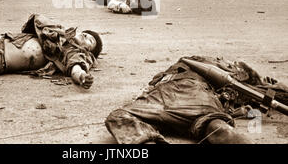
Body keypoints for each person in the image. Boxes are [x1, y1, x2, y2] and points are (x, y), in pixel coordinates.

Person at [105, 55, 288, 144]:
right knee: (118, 117)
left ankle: (144, 139)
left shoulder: (224, 74)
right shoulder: (207, 64)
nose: (227, 63)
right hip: (164, 96)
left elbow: (255, 88)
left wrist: (267, 84)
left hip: (191, 93)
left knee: (218, 128)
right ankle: (147, 140)